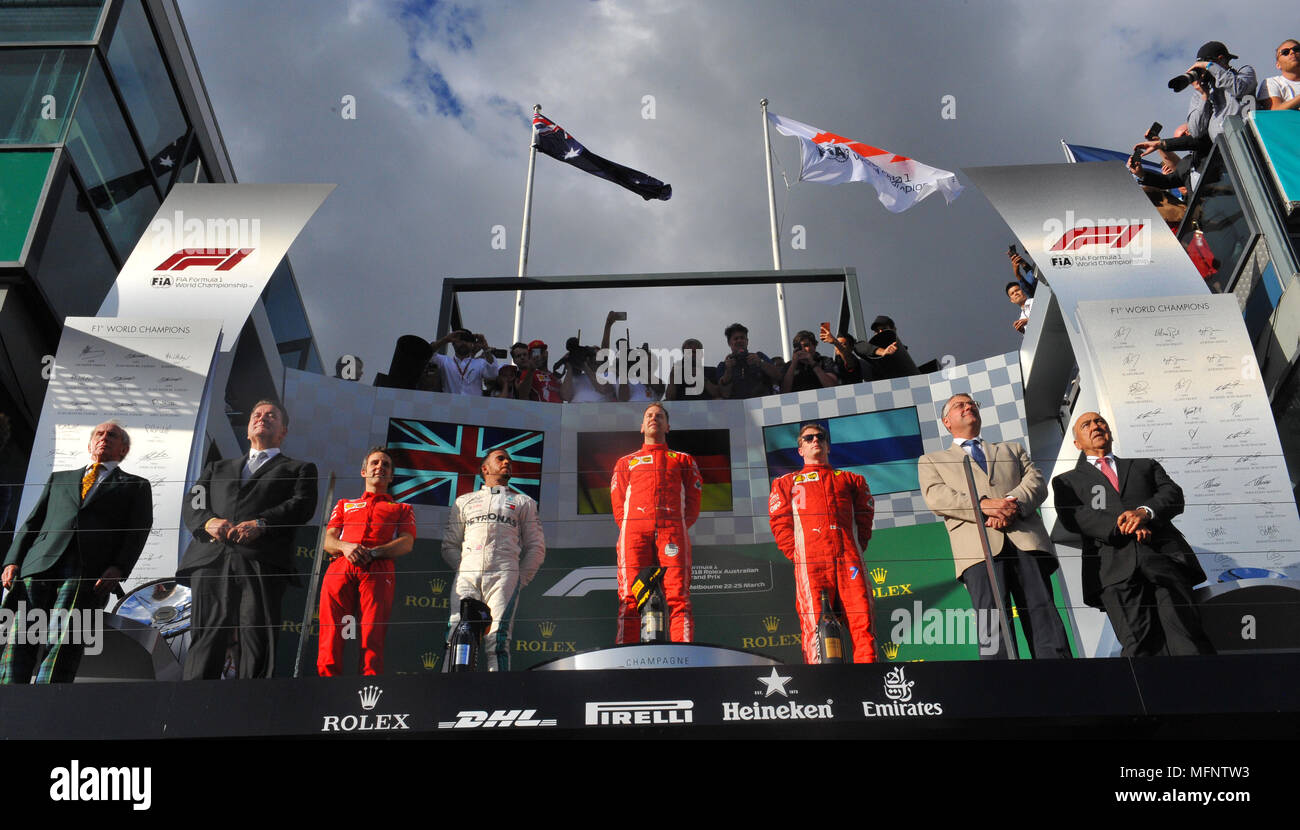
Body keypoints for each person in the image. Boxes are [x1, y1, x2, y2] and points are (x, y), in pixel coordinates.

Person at [917, 393, 1071, 659]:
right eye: (959, 405)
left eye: (971, 403)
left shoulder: (1012, 449)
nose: (968, 407)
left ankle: (1061, 676)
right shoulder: (932, 460)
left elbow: (1034, 481)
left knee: (1041, 611)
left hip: (1024, 540)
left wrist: (1011, 504)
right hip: (977, 550)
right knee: (991, 620)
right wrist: (983, 505)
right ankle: (1001, 684)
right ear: (946, 422)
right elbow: (937, 496)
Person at [1051, 412, 1215, 657]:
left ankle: (1203, 692)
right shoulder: (1066, 481)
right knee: (1139, 644)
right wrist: (1123, 525)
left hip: (1163, 558)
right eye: (1086, 425)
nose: (1095, 426)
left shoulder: (1144, 465)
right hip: (1113, 570)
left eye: (1100, 422)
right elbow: (1074, 516)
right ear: (1077, 443)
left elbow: (1172, 494)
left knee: (1187, 635)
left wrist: (1144, 512)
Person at [1, 422, 152, 683]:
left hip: (88, 572)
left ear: (123, 448)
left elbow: (137, 531)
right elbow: (32, 523)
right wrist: (13, 561)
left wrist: (118, 567)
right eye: (99, 434)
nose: (104, 438)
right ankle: (10, 697)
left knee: (65, 639)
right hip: (38, 565)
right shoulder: (60, 478)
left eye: (112, 435)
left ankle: (48, 699)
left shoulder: (135, 485)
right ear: (91, 443)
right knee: (20, 637)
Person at [179, 401, 319, 679]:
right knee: (206, 636)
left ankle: (249, 709)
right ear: (247, 430)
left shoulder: (299, 469)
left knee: (256, 637)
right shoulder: (217, 467)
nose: (262, 418)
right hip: (211, 559)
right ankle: (192, 706)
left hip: (262, 561)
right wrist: (208, 521)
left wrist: (262, 522)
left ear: (283, 431)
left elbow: (302, 505)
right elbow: (192, 503)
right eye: (256, 414)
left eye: (271, 415)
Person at [768, 422, 876, 663]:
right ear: (800, 449)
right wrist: (798, 555)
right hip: (811, 563)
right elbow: (779, 523)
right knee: (815, 626)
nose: (815, 440)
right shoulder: (786, 483)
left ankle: (870, 680)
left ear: (828, 445)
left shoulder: (851, 480)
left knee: (863, 624)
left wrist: (853, 546)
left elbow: (865, 517)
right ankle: (819, 686)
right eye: (808, 438)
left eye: (820, 437)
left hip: (849, 561)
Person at [442, 448, 545, 671]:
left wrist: (518, 578)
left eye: (509, 459)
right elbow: (449, 546)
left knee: (497, 638)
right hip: (467, 573)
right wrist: (465, 568)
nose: (507, 462)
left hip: (504, 573)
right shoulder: (464, 501)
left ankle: (497, 694)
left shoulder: (523, 502)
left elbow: (536, 547)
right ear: (485, 468)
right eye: (501, 458)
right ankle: (447, 691)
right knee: (458, 633)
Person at [317, 447, 415, 677]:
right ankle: (327, 685)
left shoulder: (402, 508)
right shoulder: (344, 504)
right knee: (332, 630)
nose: (380, 467)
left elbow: (406, 543)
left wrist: (374, 553)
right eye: (375, 463)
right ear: (364, 471)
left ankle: (368, 688)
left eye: (386, 465)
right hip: (341, 564)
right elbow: (328, 540)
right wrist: (345, 546)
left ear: (391, 477)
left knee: (372, 632)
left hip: (378, 568)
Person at [611, 403, 702, 643]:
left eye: (659, 416)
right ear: (641, 427)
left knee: (678, 596)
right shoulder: (625, 462)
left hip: (672, 532)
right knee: (630, 596)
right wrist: (636, 525)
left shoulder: (683, 459)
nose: (654, 418)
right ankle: (626, 653)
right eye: (649, 416)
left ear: (667, 426)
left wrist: (674, 525)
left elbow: (693, 505)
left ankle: (683, 654)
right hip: (633, 533)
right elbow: (619, 506)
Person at [716, 322, 780, 399]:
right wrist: (728, 371)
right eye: (736, 339)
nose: (739, 340)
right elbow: (724, 394)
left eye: (742, 338)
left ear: (747, 341)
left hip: (763, 406)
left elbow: (778, 376)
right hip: (737, 408)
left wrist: (760, 363)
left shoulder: (759, 356)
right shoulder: (723, 365)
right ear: (729, 343)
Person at [428, 329, 498, 395]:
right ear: (453, 343)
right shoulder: (444, 361)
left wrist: (485, 348)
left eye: (467, 340)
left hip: (473, 406)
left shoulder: (480, 363)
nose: (464, 343)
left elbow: (493, 374)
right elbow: (426, 353)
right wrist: (445, 339)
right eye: (460, 340)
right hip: (449, 406)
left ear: (472, 344)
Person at [856, 315, 919, 380]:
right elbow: (858, 346)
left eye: (884, 329)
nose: (880, 332)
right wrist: (882, 351)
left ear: (894, 329)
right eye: (877, 331)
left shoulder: (904, 353)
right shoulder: (874, 355)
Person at [1258, 38, 1300, 111]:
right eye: (1285, 52)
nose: (1292, 52)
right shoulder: (1272, 82)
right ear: (1278, 65)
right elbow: (1275, 111)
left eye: (1296, 49)